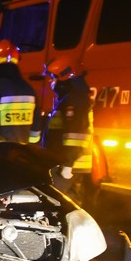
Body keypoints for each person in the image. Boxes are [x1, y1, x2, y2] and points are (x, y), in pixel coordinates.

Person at [41, 56, 94, 197]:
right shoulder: (71, 97)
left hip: (70, 165)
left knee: (54, 200)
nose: (50, 82)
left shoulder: (75, 99)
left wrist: (68, 165)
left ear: (64, 77)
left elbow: (77, 134)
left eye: (53, 78)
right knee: (67, 204)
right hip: (66, 162)